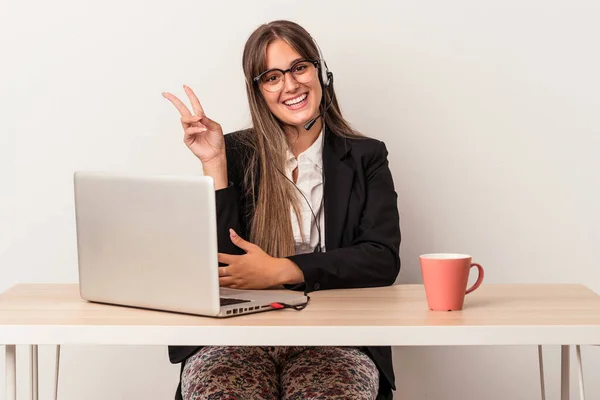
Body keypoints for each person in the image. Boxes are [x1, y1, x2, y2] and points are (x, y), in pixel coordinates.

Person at [163, 20, 401, 400]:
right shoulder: (234, 152)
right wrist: (214, 165)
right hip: (235, 339)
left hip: (335, 336)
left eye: (299, 68)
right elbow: (218, 268)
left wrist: (283, 270)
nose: (290, 85)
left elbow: (381, 259)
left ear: (320, 72)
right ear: (258, 92)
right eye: (272, 77)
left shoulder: (365, 156)